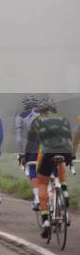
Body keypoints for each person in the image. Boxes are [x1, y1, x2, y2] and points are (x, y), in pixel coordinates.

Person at [24, 98, 73, 238]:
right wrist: (71, 156)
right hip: (66, 150)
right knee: (61, 168)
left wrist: (26, 158)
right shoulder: (64, 119)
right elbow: (69, 137)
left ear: (41, 111)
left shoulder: (37, 121)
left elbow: (30, 143)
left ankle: (45, 222)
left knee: (42, 183)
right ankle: (64, 193)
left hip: (48, 151)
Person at [15, 94, 41, 210]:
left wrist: (21, 154)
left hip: (33, 148)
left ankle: (37, 198)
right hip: (51, 147)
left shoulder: (20, 117)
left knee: (32, 169)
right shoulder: (46, 113)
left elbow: (19, 139)